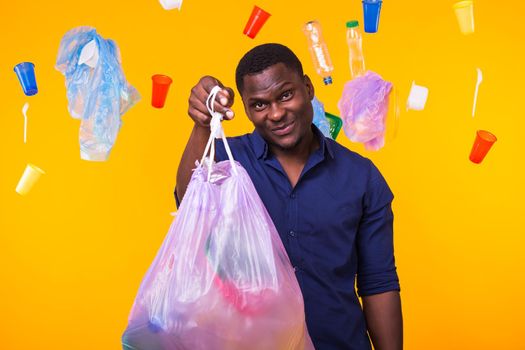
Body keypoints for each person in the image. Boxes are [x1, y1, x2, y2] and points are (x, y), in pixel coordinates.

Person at [175, 43, 402, 350]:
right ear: (245, 109)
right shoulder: (229, 163)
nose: (277, 113)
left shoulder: (360, 177)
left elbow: (379, 283)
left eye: (285, 95)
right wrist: (202, 124)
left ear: (308, 87)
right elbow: (190, 203)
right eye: (259, 105)